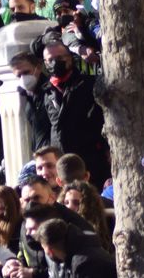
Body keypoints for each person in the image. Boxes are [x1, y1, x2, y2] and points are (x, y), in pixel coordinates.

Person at [42, 34, 110, 185]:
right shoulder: (46, 91)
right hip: (61, 160)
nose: (55, 63)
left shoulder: (87, 85)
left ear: (70, 58)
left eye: (60, 58)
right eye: (50, 60)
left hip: (89, 158)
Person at [9, 50, 52, 152]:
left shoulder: (50, 92)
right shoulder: (29, 97)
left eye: (26, 72)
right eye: (19, 75)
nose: (23, 78)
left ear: (38, 68)